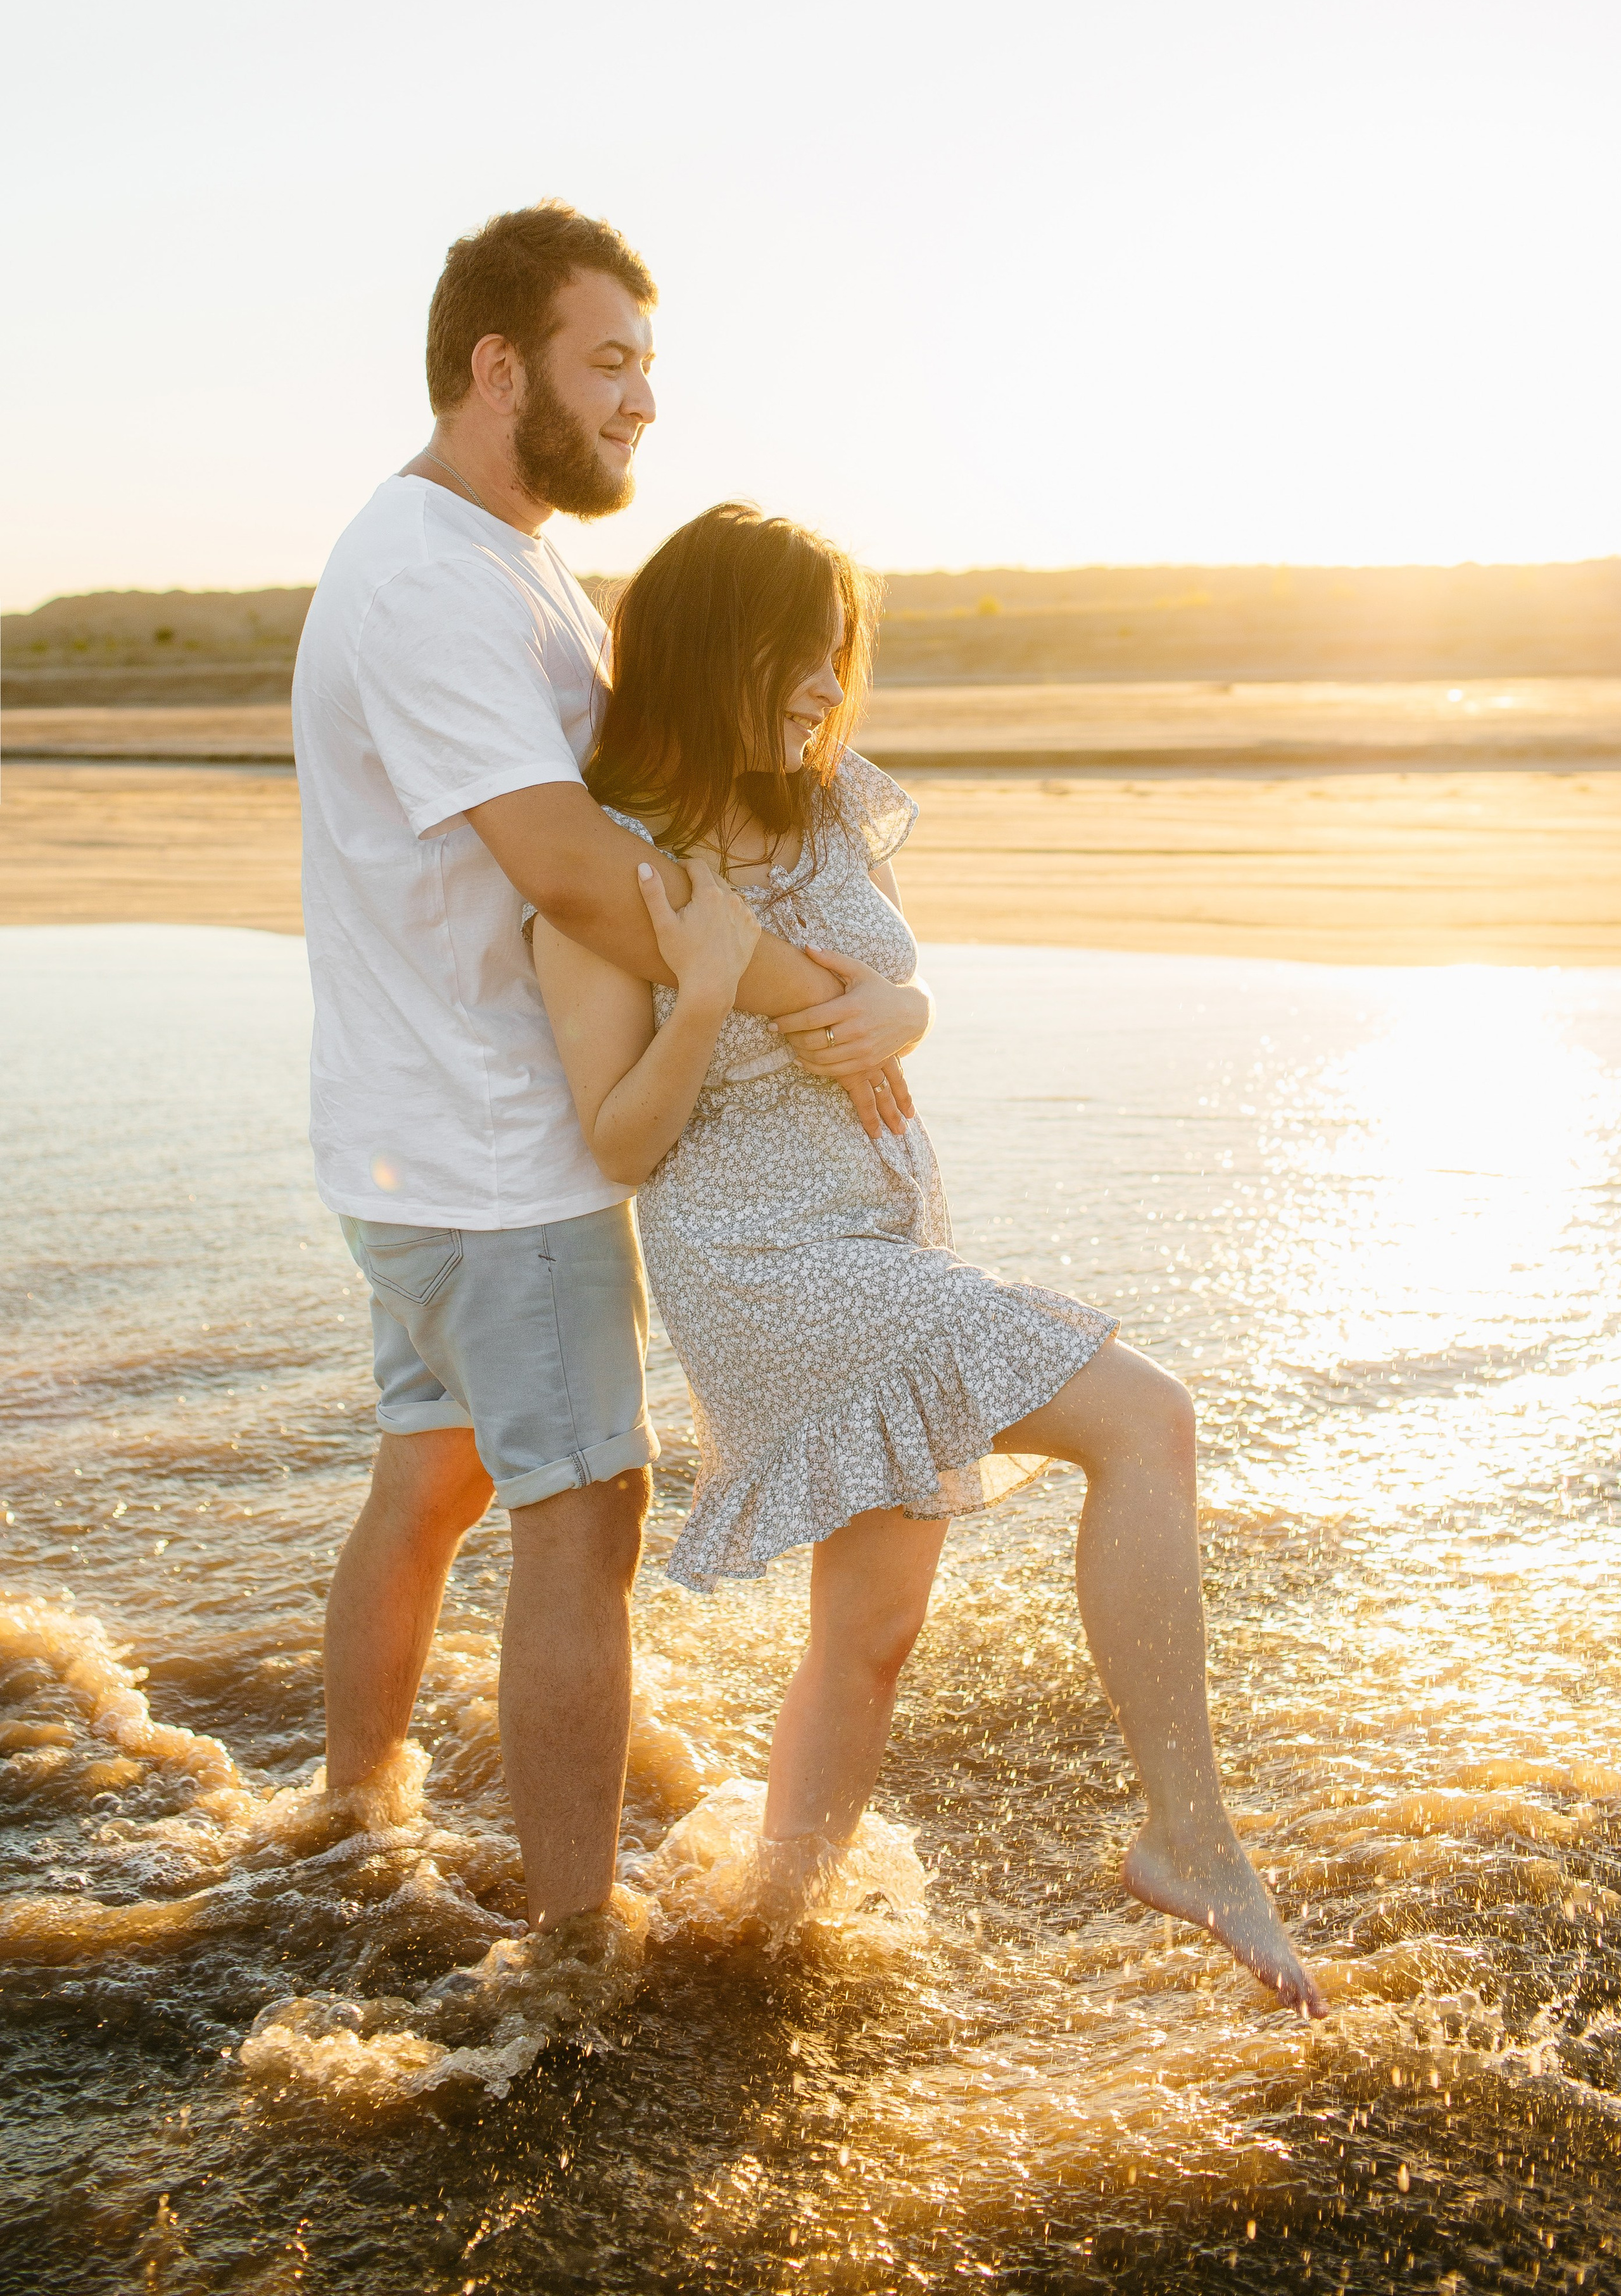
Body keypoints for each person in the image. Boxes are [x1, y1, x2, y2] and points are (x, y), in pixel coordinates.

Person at [527, 502, 1327, 2015]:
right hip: (767, 1265)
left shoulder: (817, 807)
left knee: (873, 1634)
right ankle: (1190, 1833)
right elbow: (617, 1144)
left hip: (885, 1234)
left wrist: (912, 1013)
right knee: (1144, 1419)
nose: (829, 687)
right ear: (710, 653)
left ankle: (769, 1935)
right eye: (799, 656)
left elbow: (889, 978)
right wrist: (703, 995)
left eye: (841, 656)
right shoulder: (615, 866)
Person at [293, 204, 930, 1936]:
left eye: (650, 363)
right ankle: (573, 1951)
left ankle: (351, 1817)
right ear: (499, 366)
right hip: (503, 1153)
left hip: (413, 1141)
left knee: (432, 1474)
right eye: (609, 360)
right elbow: (576, 867)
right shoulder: (427, 576)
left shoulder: (498, 552)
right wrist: (823, 999)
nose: (643, 398)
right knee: (587, 1510)